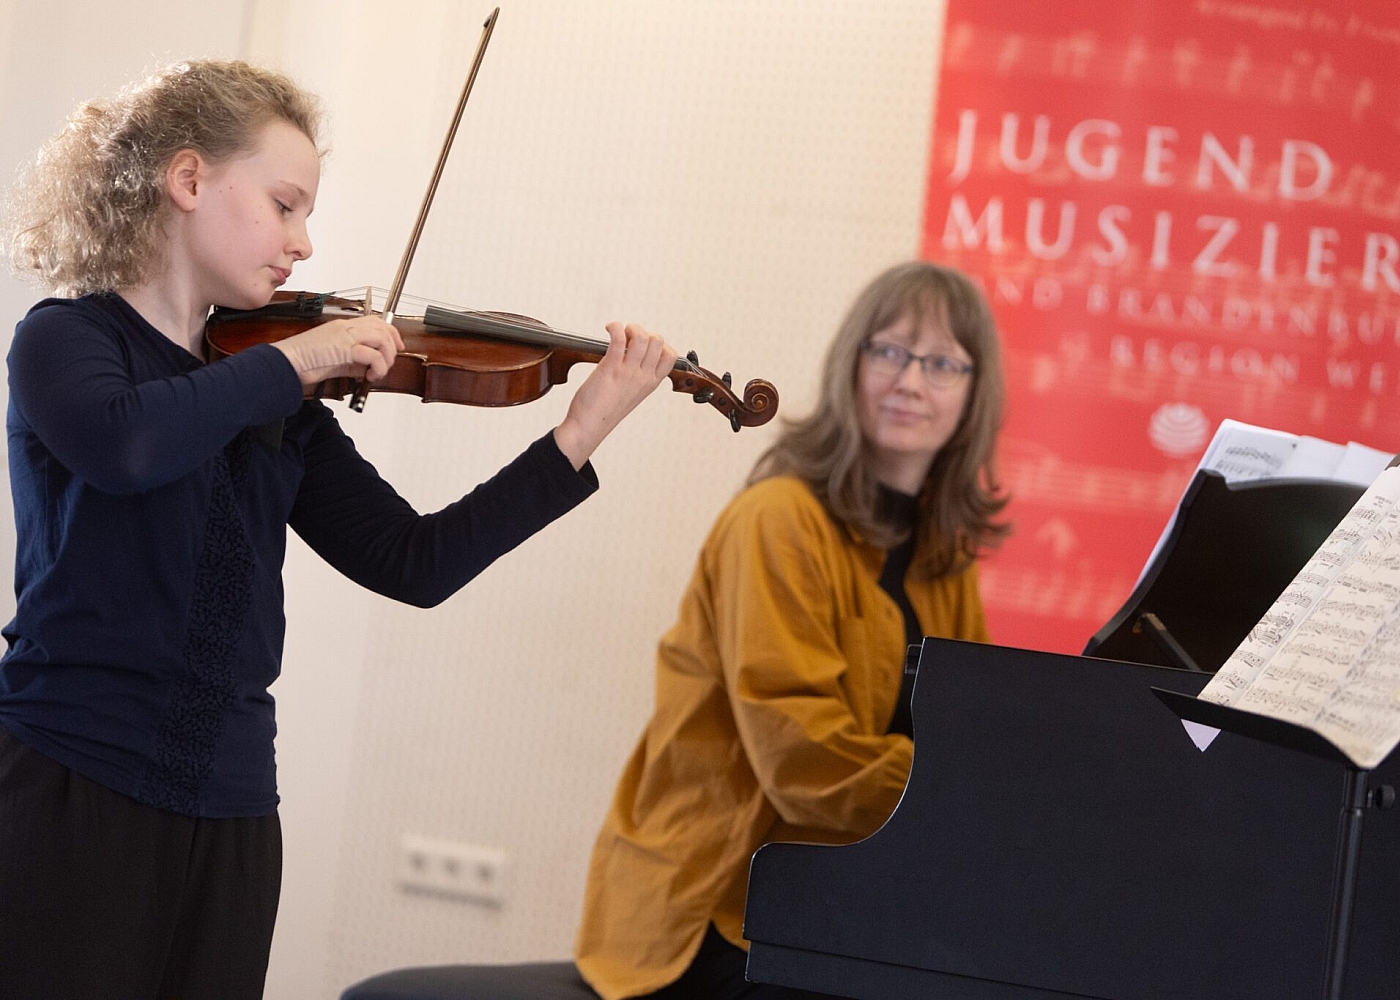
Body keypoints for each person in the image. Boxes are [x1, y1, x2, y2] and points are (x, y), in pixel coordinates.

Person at [0, 60, 675, 999]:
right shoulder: (69, 340)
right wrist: (300, 362)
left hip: (235, 811)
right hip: (71, 786)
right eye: (284, 206)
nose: (303, 244)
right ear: (188, 179)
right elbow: (128, 446)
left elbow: (414, 561)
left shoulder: (274, 389)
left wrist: (577, 435)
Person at [574, 261, 1008, 1000]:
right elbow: (803, 759)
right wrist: (967, 805)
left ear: (974, 394)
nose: (910, 382)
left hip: (848, 901)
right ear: (851, 365)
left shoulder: (944, 556)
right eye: (890, 351)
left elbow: (971, 735)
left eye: (941, 363)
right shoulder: (778, 521)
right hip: (718, 910)